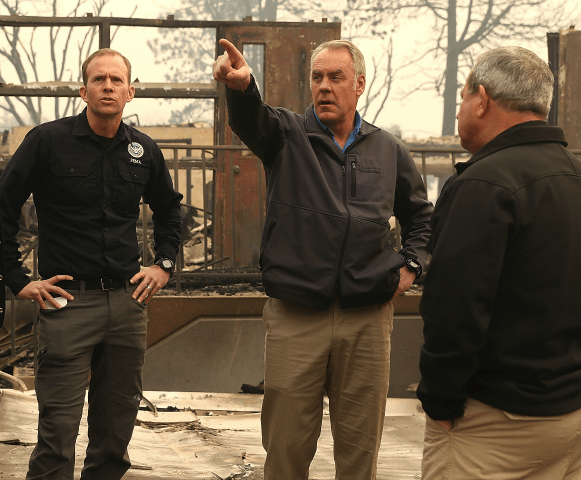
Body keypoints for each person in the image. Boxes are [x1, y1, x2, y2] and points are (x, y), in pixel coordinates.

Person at [213, 38, 432, 479]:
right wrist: (241, 87)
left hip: (367, 319)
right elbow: (252, 120)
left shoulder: (387, 150)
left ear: (360, 84)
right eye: (317, 77)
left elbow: (421, 215)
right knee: (286, 450)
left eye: (336, 77)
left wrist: (412, 266)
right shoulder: (287, 134)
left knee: (359, 453)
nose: (325, 86)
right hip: (297, 315)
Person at [417, 46, 581, 480]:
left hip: (500, 425)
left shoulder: (482, 185)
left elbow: (453, 310)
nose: (459, 112)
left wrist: (439, 401)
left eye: (461, 97)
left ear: (482, 98)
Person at [0, 48, 182, 480]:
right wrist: (18, 280)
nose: (108, 86)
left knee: (115, 433)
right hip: (67, 303)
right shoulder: (47, 141)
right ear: (83, 91)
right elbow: (3, 206)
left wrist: (165, 265)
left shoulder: (143, 150)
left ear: (130, 92)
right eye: (99, 79)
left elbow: (170, 211)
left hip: (127, 303)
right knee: (56, 435)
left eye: (116, 80)